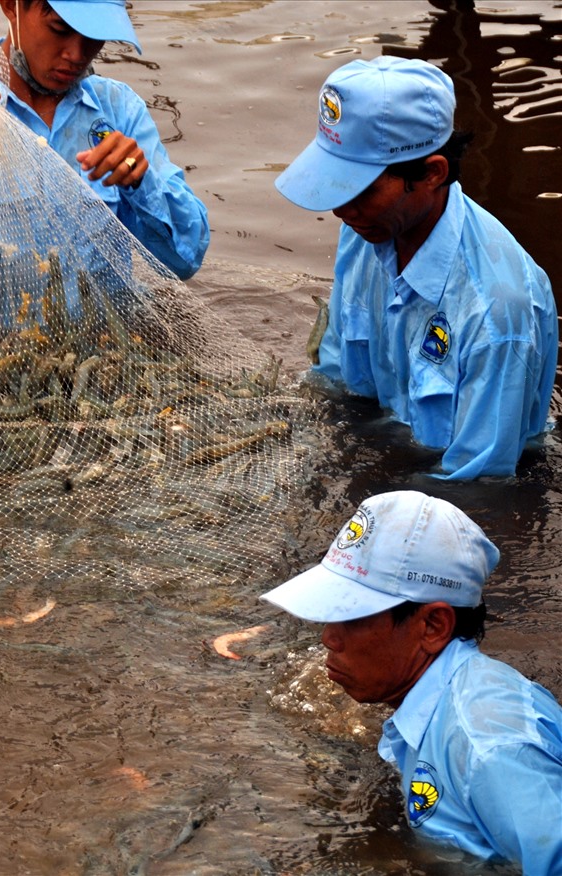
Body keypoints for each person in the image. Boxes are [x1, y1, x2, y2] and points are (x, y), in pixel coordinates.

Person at [275, 56, 557, 481]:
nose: (340, 209)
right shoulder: (365, 228)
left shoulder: (496, 315)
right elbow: (336, 378)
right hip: (390, 443)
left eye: (359, 190)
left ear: (431, 173)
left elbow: (477, 483)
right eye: (335, 183)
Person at [260, 490, 562, 873]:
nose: (328, 638)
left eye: (352, 618)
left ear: (433, 626)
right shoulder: (439, 706)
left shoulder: (488, 747)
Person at [0, 0, 209, 280]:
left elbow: (184, 260)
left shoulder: (119, 110)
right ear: (11, 6)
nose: (77, 54)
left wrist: (139, 181)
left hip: (104, 336)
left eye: (95, 36)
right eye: (60, 29)